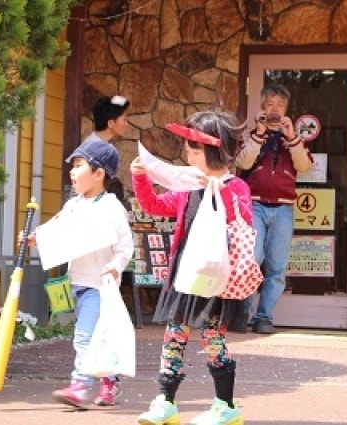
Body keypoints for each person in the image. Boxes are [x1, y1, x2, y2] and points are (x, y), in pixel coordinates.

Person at [131, 109, 251, 425]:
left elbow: (242, 224)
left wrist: (217, 190)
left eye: (193, 147)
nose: (187, 153)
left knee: (212, 336)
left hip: (216, 277)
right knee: (174, 334)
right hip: (185, 274)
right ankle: (165, 400)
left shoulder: (235, 187)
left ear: (212, 150)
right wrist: (141, 177)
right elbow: (154, 205)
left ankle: (225, 406)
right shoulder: (187, 187)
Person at [24, 140, 133, 407]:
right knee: (97, 338)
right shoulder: (74, 205)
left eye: (78, 166)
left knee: (84, 336)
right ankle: (109, 382)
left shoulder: (111, 207)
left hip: (99, 285)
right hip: (78, 283)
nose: (72, 172)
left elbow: (125, 246)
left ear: (98, 174)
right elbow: (57, 228)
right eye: (72, 167)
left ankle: (80, 385)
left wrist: (116, 266)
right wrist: (37, 238)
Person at [235, 83, 314, 334]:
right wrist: (258, 133)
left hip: (284, 208)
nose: (275, 109)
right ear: (262, 107)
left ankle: (263, 317)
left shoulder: (294, 138)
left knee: (277, 267)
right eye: (270, 104)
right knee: (252, 259)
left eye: (280, 105)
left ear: (287, 108)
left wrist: (291, 137)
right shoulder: (252, 135)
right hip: (255, 205)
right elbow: (243, 161)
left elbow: (304, 166)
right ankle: (241, 313)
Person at [81, 95, 131, 203]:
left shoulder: (96, 144)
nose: (127, 125)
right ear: (111, 123)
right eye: (124, 120)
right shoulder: (94, 148)